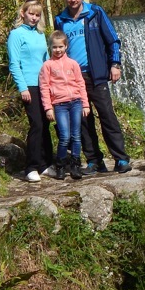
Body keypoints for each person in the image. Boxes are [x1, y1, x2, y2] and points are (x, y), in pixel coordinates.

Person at [53, 0, 131, 174]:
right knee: (82, 121)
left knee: (107, 116)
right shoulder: (60, 20)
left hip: (96, 75)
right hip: (73, 79)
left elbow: (112, 39)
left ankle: (121, 159)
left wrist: (115, 64)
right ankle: (94, 161)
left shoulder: (95, 13)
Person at [7, 0, 53, 182]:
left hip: (43, 85)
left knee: (46, 124)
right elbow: (14, 63)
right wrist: (22, 87)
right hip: (29, 86)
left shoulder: (40, 34)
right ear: (23, 13)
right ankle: (31, 167)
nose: (34, 18)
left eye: (37, 15)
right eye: (31, 13)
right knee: (37, 124)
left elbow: (47, 60)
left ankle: (45, 164)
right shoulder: (16, 34)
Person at [39, 31, 91, 180]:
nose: (58, 50)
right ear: (50, 47)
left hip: (76, 102)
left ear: (66, 46)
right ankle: (60, 166)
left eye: (61, 46)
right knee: (64, 136)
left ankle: (75, 166)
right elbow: (44, 87)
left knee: (76, 136)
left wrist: (85, 104)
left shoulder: (73, 64)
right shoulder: (47, 66)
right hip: (59, 104)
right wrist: (48, 108)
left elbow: (80, 84)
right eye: (55, 47)